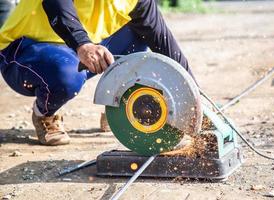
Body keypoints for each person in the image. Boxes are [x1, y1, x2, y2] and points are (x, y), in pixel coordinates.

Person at [0, 0, 193, 145]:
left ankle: (118, 108)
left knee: (139, 34)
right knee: (65, 76)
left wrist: (195, 102)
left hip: (77, 47)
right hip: (24, 49)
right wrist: (83, 44)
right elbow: (57, 6)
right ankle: (44, 114)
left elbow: (166, 45)